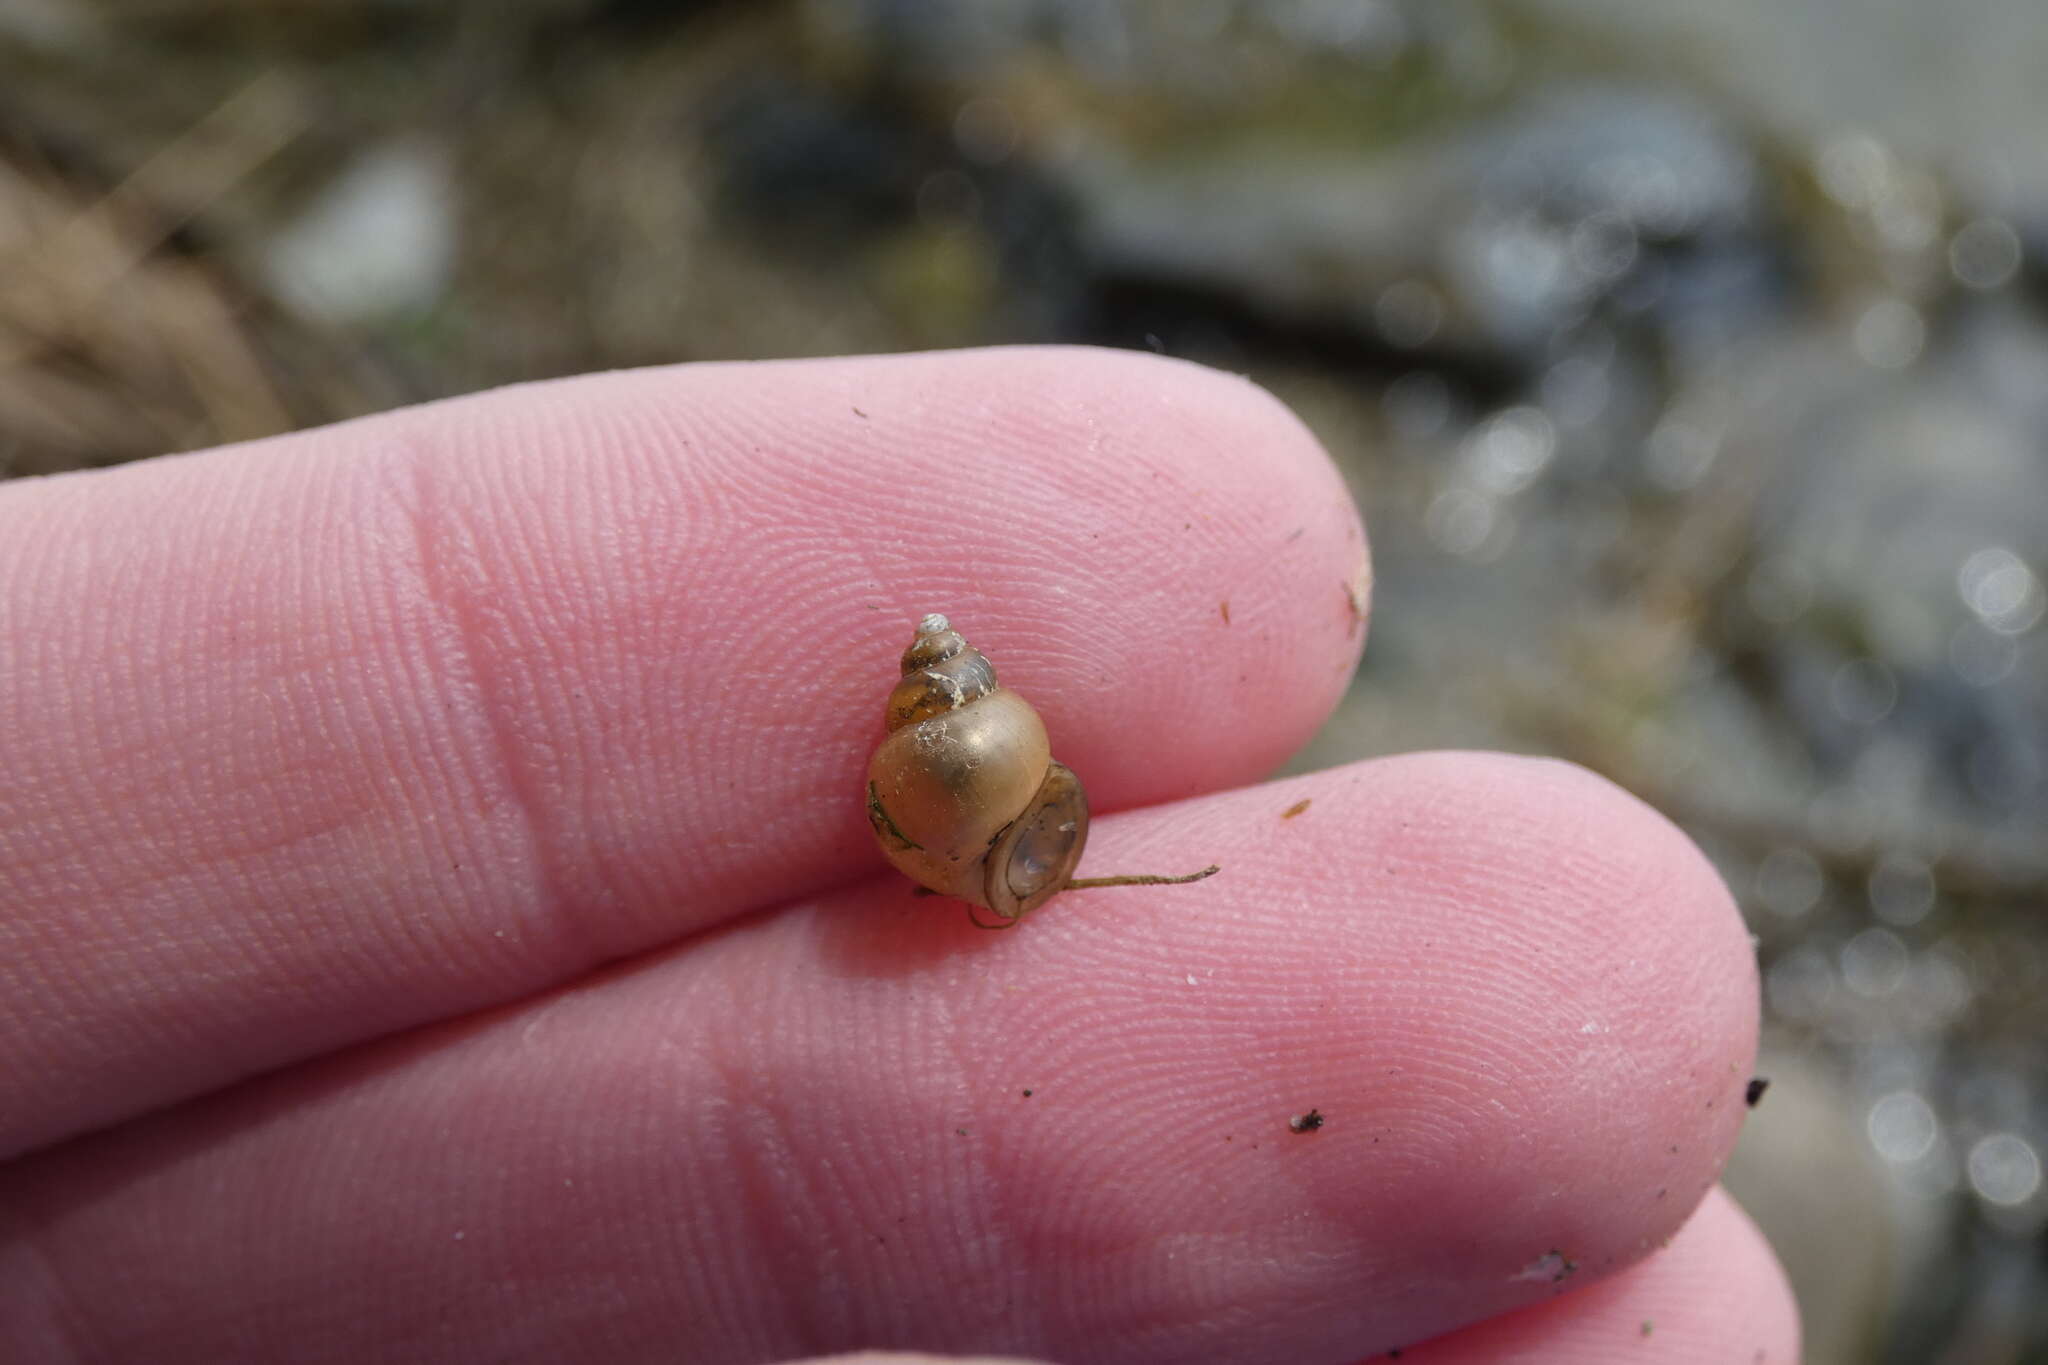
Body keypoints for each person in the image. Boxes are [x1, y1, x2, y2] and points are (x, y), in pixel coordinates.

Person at [0, 348, 1797, 1363]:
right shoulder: (949, 746)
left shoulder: (951, 755)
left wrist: (964, 850)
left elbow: (952, 822)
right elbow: (942, 821)